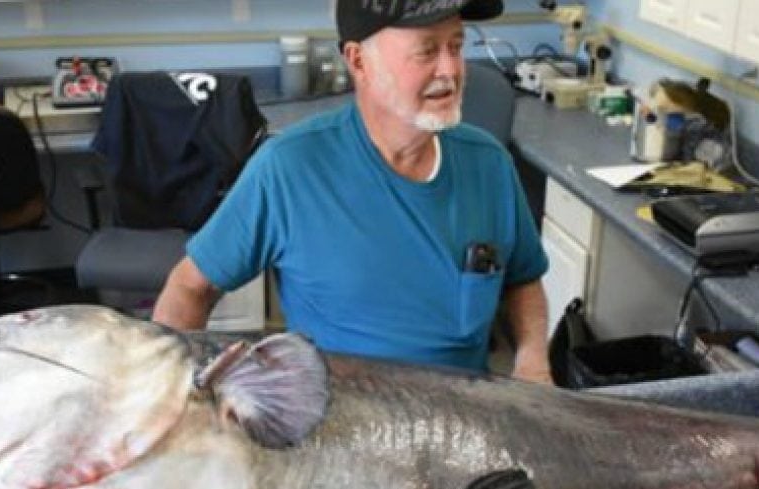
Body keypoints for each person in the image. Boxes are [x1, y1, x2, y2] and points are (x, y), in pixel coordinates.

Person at [152, 0, 552, 383]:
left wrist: (533, 361)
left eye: (456, 46)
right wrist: (169, 395)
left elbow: (523, 279)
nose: (450, 70)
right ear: (359, 61)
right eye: (426, 51)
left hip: (463, 420)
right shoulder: (290, 167)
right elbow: (190, 286)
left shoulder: (490, 164)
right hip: (338, 422)